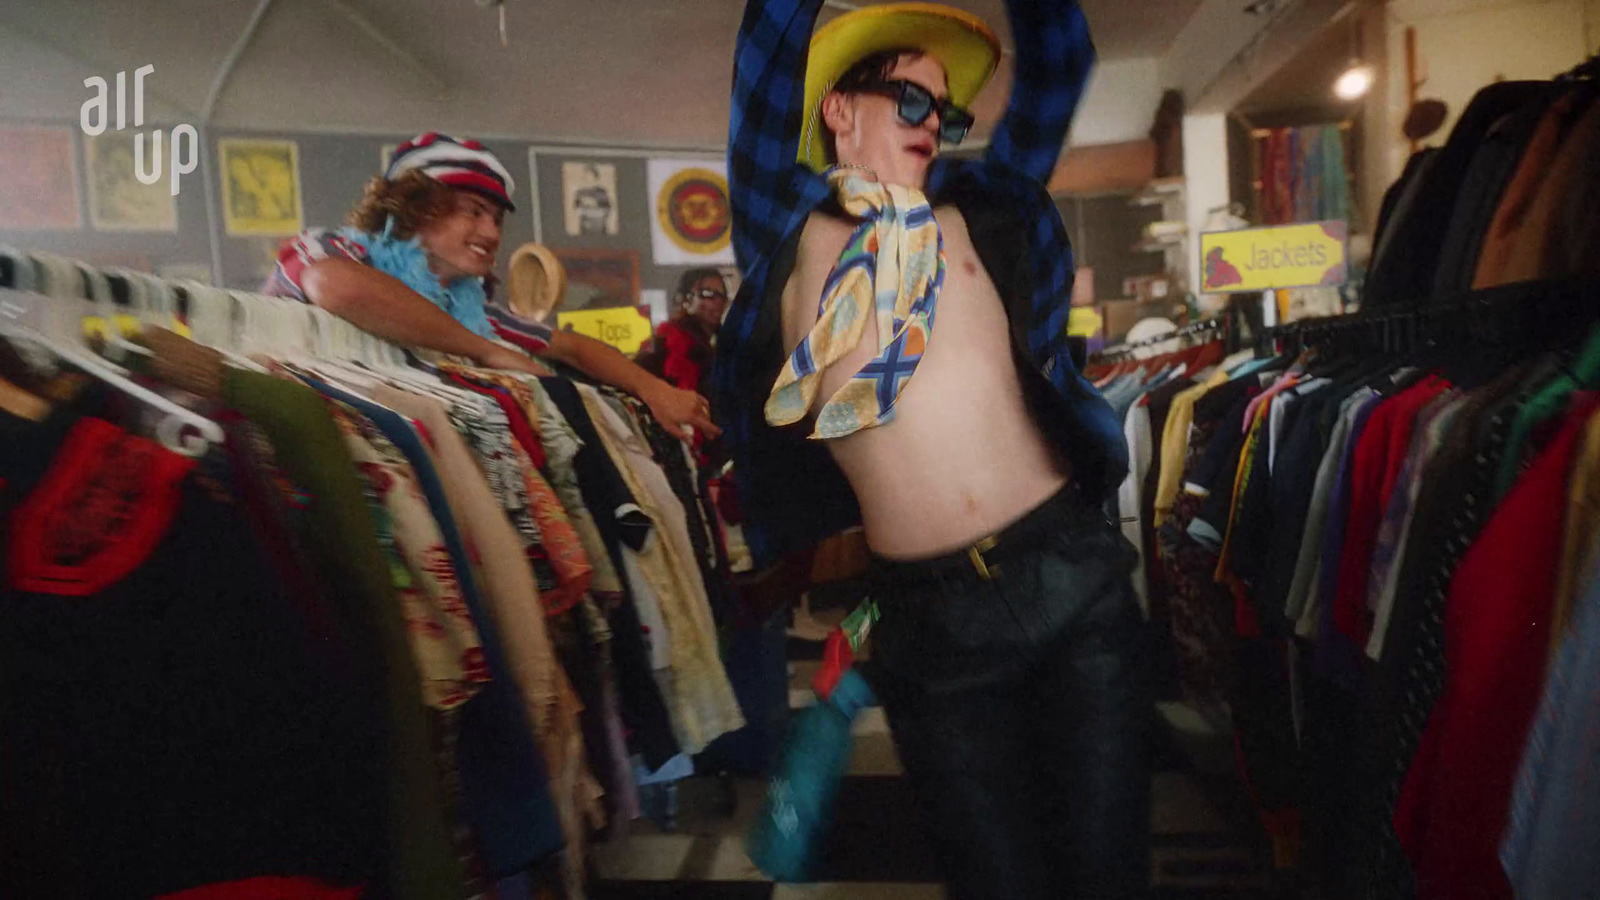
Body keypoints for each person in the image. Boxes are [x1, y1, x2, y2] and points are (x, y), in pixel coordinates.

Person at [714, 3, 1148, 898]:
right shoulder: (786, 234)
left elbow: (1061, 64)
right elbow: (765, 62)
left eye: (947, 116)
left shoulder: (980, 209)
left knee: (1107, 879)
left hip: (1070, 577)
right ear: (840, 109)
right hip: (931, 624)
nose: (936, 130)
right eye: (914, 103)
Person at [264, 132, 718, 441]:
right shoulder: (333, 246)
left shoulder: (474, 310)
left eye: (497, 219)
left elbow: (572, 348)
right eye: (474, 211)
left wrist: (655, 391)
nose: (492, 232)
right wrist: (486, 351)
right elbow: (334, 284)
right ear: (417, 206)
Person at [638, 268, 729, 395]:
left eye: (722, 295)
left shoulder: (723, 342)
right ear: (686, 300)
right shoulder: (669, 342)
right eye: (708, 294)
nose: (718, 301)